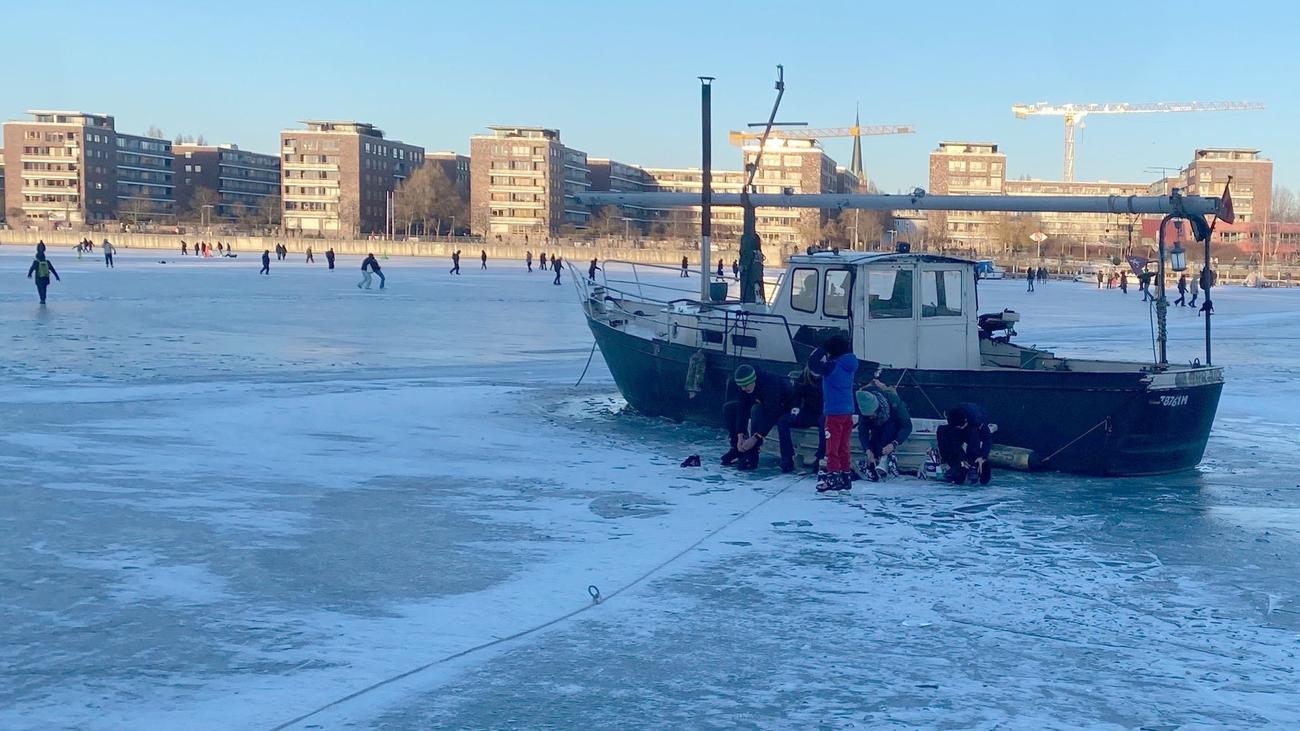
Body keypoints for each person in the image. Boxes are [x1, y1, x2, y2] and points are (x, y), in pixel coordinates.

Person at [808, 333, 858, 492]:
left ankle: (833, 477)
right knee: (844, 446)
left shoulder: (832, 366)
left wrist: (823, 348)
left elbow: (813, 364)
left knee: (832, 447)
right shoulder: (850, 364)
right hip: (848, 412)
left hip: (834, 412)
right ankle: (845, 476)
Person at [720, 364, 792, 472]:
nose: (744, 388)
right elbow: (742, 407)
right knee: (729, 408)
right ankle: (738, 449)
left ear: (753, 380)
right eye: (741, 386)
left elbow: (773, 413)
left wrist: (755, 438)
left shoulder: (770, 383)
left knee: (756, 410)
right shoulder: (744, 387)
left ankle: (752, 454)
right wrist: (740, 435)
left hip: (783, 407)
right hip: (762, 403)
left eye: (746, 385)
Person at [855, 379, 913, 482]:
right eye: (869, 416)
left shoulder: (893, 401)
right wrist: (867, 449)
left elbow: (907, 426)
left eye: (873, 414)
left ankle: (886, 457)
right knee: (875, 443)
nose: (871, 417)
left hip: (893, 425)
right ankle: (874, 461)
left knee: (888, 431)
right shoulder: (864, 408)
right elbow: (862, 430)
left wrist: (894, 443)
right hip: (876, 429)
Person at [775, 367, 823, 474]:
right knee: (783, 421)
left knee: (825, 423)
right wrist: (795, 408)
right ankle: (787, 458)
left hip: (824, 412)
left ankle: (820, 458)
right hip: (808, 413)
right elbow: (796, 395)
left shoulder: (828, 377)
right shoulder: (804, 377)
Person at [936, 403, 993, 485]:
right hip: (957, 429)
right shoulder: (953, 417)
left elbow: (987, 439)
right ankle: (953, 464)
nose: (960, 428)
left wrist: (983, 456)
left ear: (966, 420)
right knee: (942, 431)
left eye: (961, 426)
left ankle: (974, 466)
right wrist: (962, 458)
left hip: (973, 428)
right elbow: (954, 442)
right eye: (958, 427)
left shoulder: (977, 420)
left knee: (973, 435)